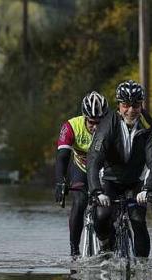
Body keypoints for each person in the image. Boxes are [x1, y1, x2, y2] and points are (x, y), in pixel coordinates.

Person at [87, 80, 152, 257]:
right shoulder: (107, 125)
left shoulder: (149, 127)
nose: (130, 110)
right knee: (103, 214)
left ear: (141, 104)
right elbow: (94, 159)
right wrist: (97, 191)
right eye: (126, 105)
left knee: (138, 220)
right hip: (110, 181)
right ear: (119, 105)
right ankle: (106, 243)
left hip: (136, 182)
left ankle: (142, 271)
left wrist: (148, 189)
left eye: (136, 105)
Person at [55, 91, 109, 257]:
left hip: (104, 169)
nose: (96, 127)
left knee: (108, 207)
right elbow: (62, 157)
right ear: (85, 117)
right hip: (82, 169)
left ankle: (108, 241)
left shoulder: (113, 125)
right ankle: (74, 250)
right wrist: (60, 182)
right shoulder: (71, 126)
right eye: (92, 122)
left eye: (100, 122)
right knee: (79, 203)